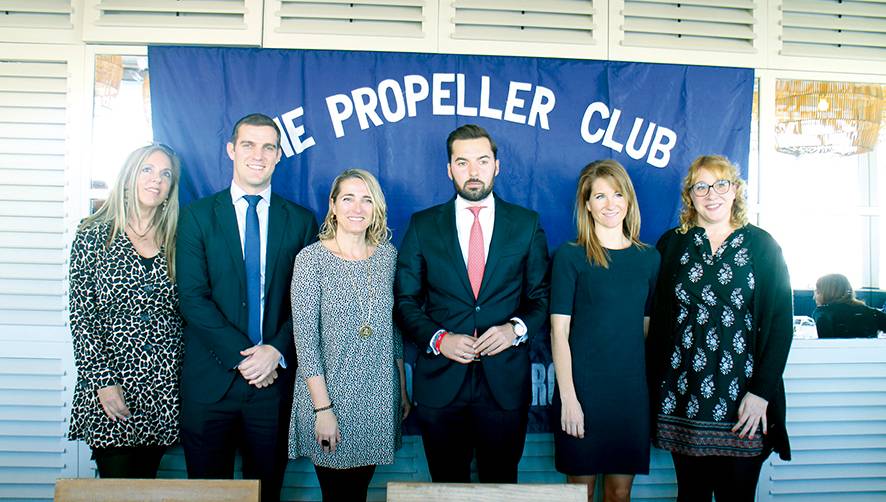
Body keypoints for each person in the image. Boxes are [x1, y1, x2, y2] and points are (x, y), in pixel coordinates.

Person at [395, 124, 550, 483]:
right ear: (449, 169)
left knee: (501, 485)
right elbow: (405, 300)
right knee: (447, 487)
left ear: (497, 165)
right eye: (462, 162)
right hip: (441, 383)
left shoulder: (526, 224)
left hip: (505, 384)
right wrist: (438, 339)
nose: (473, 171)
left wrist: (515, 330)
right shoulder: (423, 225)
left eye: (482, 161)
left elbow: (540, 298)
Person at [176, 113, 318, 502]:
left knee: (267, 493)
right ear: (231, 150)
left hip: (273, 384)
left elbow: (307, 301)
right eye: (248, 145)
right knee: (208, 496)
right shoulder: (197, 217)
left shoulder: (302, 221)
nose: (258, 154)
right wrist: (244, 358)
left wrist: (274, 351)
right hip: (211, 384)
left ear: (278, 156)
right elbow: (192, 297)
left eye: (268, 147)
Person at [647, 155, 793, 502]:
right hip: (684, 394)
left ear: (735, 191)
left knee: (737, 495)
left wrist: (762, 394)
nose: (711, 194)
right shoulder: (672, 244)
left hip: (744, 400)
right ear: (690, 195)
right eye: (701, 186)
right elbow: (655, 317)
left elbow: (780, 327)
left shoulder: (763, 246)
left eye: (720, 184)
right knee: (691, 495)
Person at [289, 169, 410, 501]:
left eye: (366, 199)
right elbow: (305, 341)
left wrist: (400, 387)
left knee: (358, 492)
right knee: (338, 495)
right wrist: (322, 409)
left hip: (378, 397)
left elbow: (394, 327)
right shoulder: (311, 260)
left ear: (376, 208)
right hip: (330, 398)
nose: (357, 208)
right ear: (332, 205)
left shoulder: (388, 256)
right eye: (348, 198)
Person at [68, 144, 182, 478]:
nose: (156, 180)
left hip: (162, 384)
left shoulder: (176, 238)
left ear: (170, 188)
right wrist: (104, 382)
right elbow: (82, 318)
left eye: (165, 175)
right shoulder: (92, 234)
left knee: (145, 485)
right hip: (111, 381)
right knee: (116, 486)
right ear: (129, 177)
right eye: (147, 170)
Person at [551, 160, 659, 502]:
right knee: (579, 492)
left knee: (619, 492)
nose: (610, 204)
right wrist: (568, 398)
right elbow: (559, 333)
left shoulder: (649, 259)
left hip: (629, 396)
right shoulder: (570, 257)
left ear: (628, 200)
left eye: (617, 194)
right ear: (587, 204)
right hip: (582, 392)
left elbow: (646, 332)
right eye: (600, 196)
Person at [813, 273, 886, 338]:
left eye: (817, 291)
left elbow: (825, 345)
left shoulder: (823, 313)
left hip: (839, 352)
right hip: (870, 352)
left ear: (825, 293)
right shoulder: (870, 312)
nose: (814, 296)